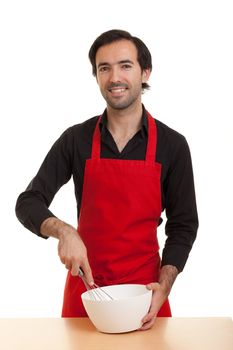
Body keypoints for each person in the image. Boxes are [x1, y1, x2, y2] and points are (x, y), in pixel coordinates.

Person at [15, 29, 198, 330]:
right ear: (97, 76)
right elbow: (28, 202)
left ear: (145, 72)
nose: (115, 77)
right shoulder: (76, 139)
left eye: (125, 65)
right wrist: (64, 231)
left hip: (146, 295)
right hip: (86, 293)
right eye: (104, 68)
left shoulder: (172, 145)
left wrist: (165, 283)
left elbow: (184, 224)